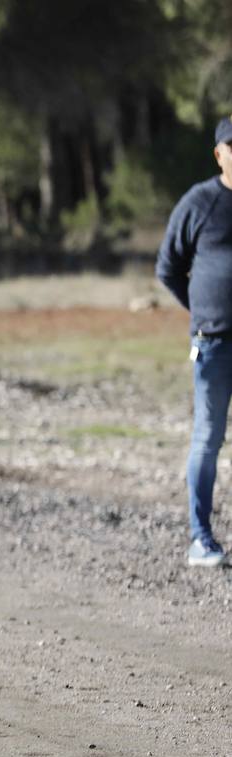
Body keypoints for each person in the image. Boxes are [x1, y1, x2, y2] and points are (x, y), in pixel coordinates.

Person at [157, 116, 232, 567]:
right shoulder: (201, 202)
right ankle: (200, 539)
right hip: (214, 344)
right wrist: (203, 309)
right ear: (219, 153)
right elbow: (168, 267)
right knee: (207, 438)